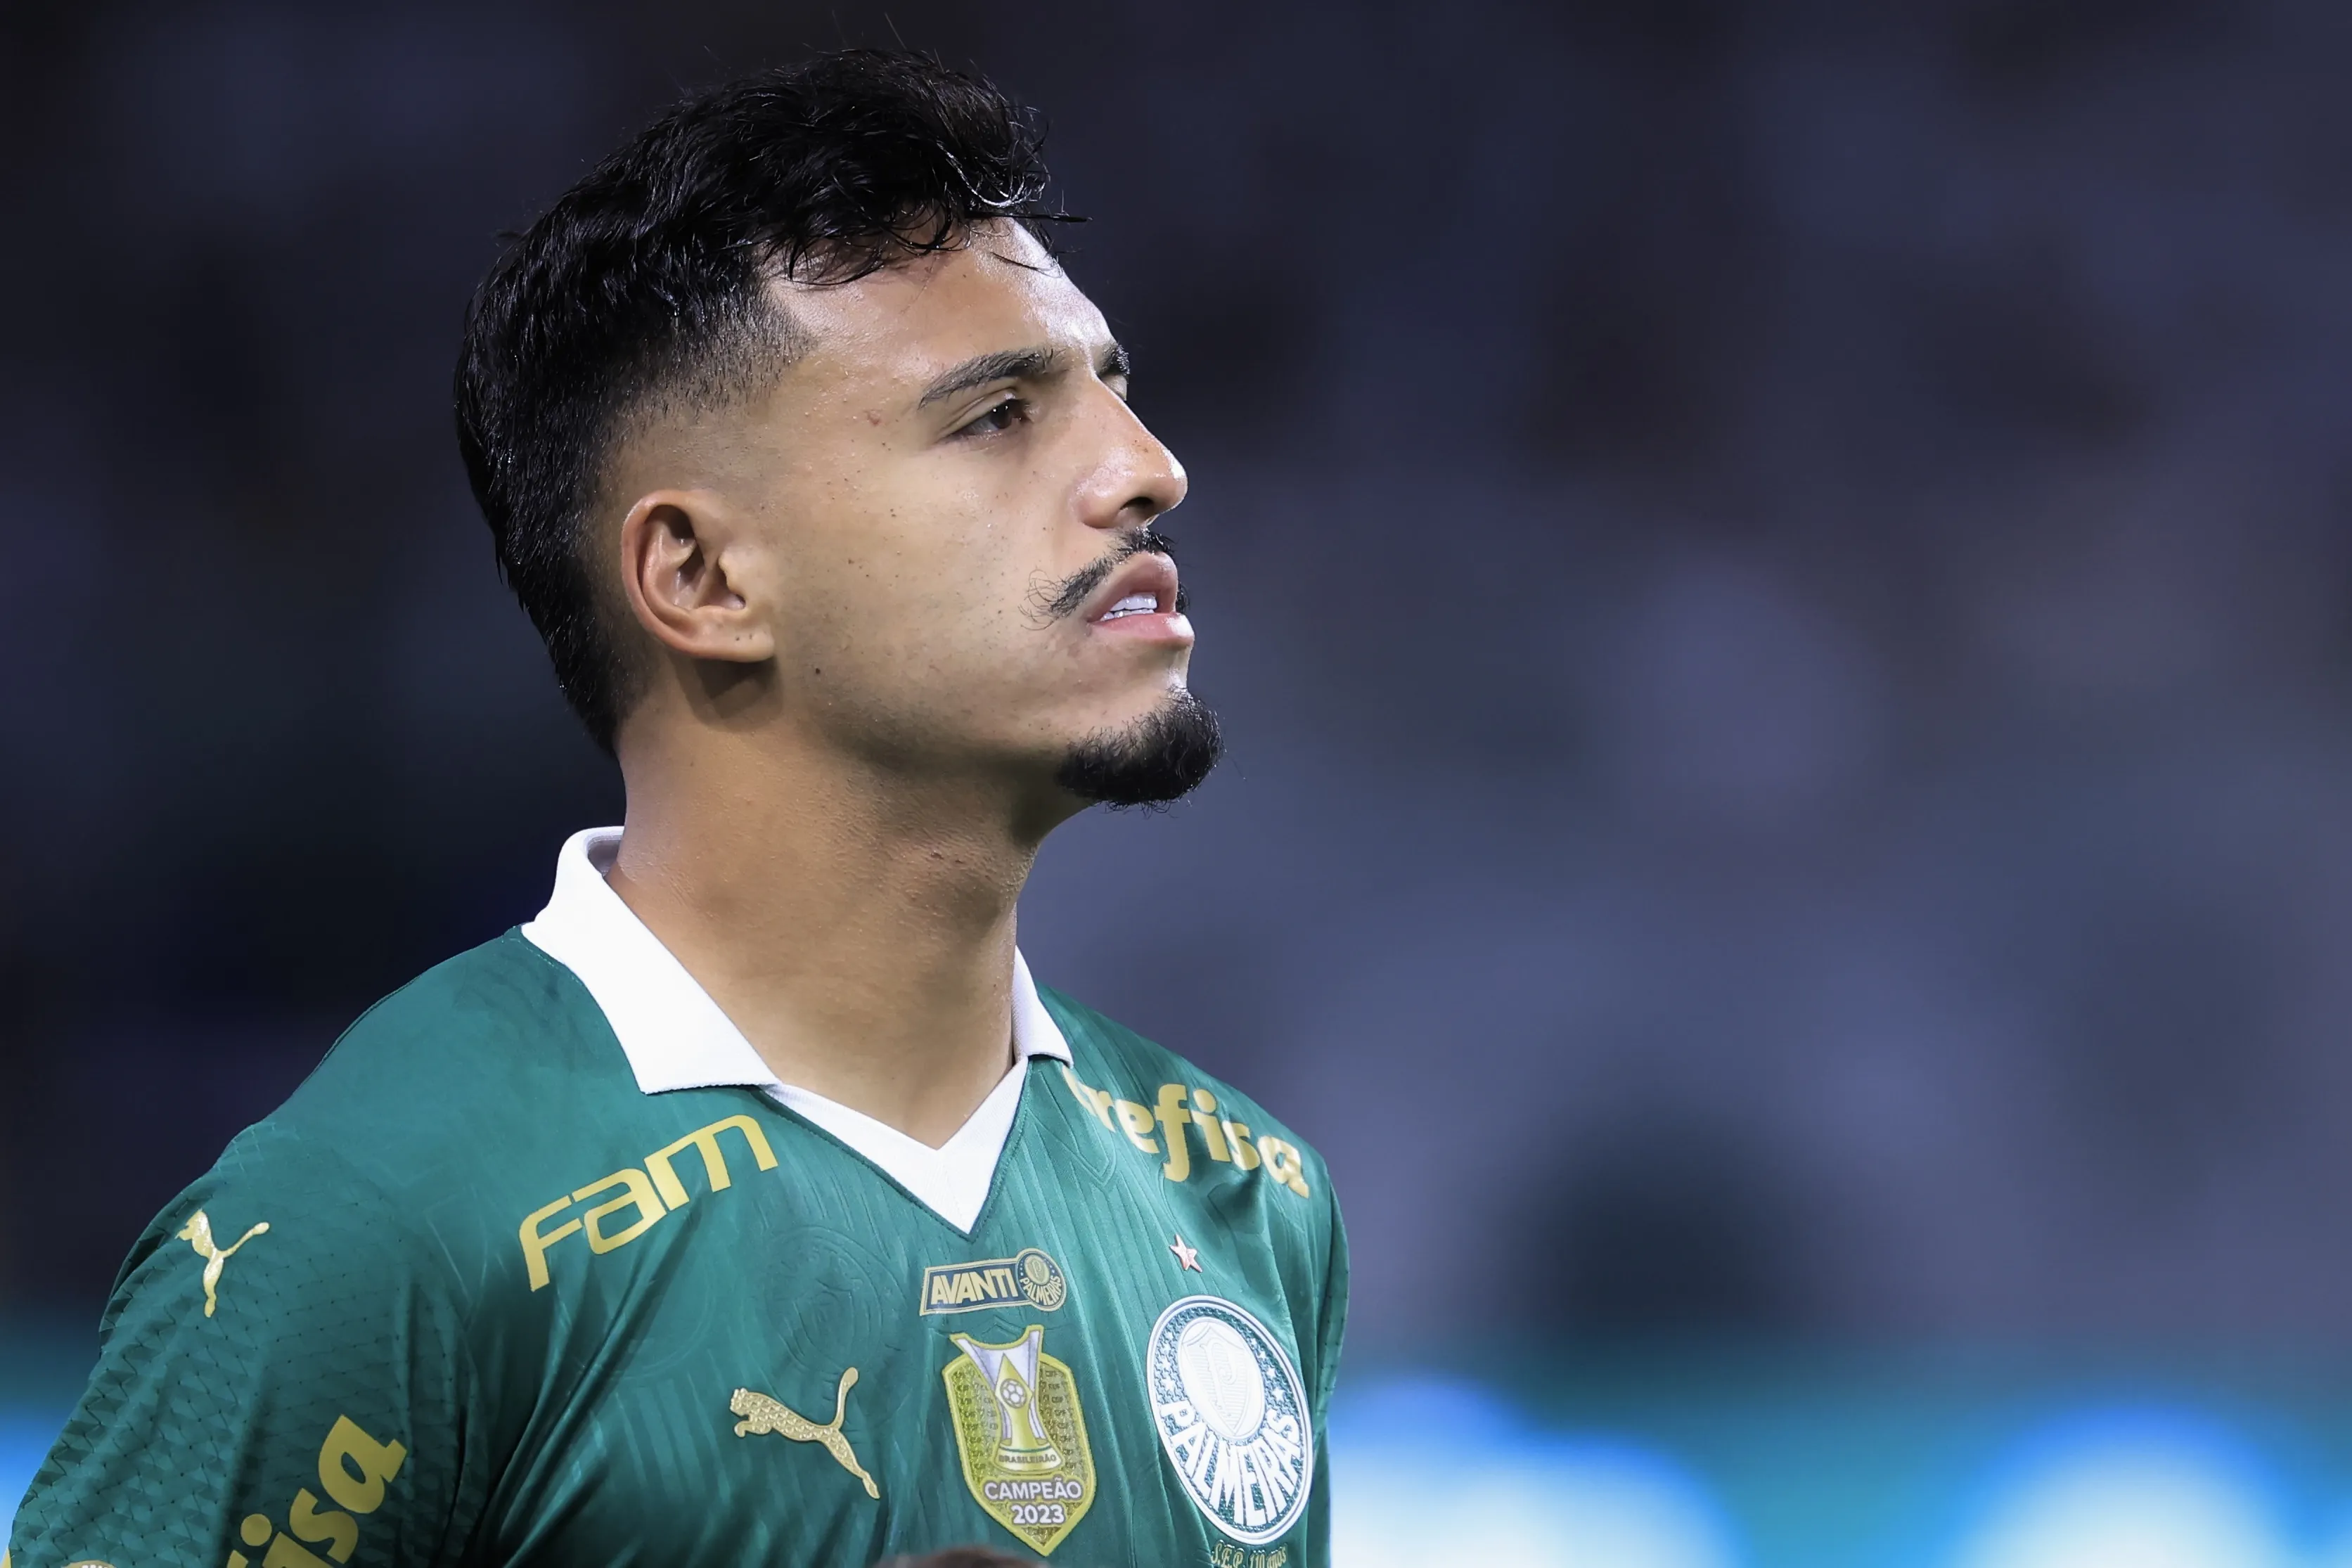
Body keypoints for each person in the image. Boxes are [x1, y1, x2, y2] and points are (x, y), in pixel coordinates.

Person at [4, 50, 1344, 1568]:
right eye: (996, 417)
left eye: (1111, 387)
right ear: (702, 579)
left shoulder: (1241, 1192)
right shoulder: (376, 1221)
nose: (1147, 468)